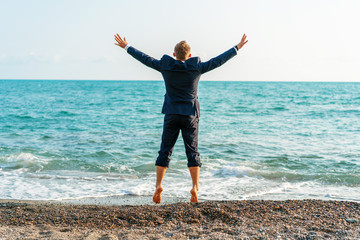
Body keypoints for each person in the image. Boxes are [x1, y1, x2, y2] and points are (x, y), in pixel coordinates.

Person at [114, 33, 248, 204]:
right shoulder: (196, 67)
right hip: (190, 115)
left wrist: (127, 47)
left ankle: (158, 185)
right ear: (189, 55)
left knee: (165, 151)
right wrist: (236, 48)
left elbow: (145, 59)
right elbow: (218, 60)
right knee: (192, 152)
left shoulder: (166, 66)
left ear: (174, 55)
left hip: (171, 114)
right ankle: (194, 187)